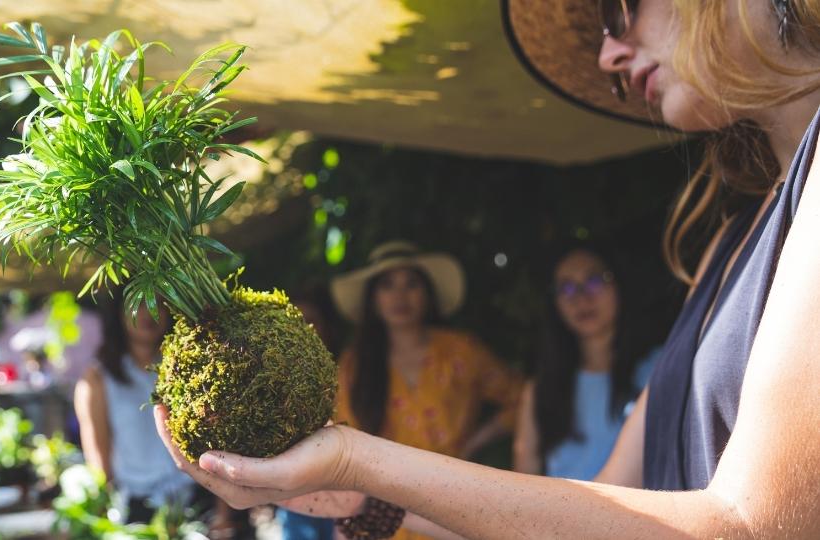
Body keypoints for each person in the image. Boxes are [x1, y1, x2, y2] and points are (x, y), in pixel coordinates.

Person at [154, 0, 820, 537]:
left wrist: (363, 459)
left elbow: (751, 524)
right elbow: (617, 504)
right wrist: (363, 498)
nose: (609, 55)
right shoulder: (728, 244)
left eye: (620, 11)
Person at [330, 241, 522, 464]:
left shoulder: (461, 350)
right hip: (383, 492)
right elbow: (344, 435)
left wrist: (476, 441)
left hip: (458, 485)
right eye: (387, 285)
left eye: (411, 284)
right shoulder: (354, 363)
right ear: (373, 300)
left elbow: (522, 398)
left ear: (428, 293)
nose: (400, 296)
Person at [513, 244, 659, 480]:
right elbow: (524, 478)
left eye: (594, 280)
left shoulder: (661, 369)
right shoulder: (540, 389)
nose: (581, 297)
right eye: (567, 288)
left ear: (619, 285)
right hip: (561, 515)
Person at [74, 298, 198, 523]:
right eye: (138, 303)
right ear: (118, 313)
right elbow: (99, 458)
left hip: (195, 499)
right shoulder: (98, 379)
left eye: (157, 303)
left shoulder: (187, 367)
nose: (149, 312)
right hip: (138, 509)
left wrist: (223, 511)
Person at [277, 284, 342, 540]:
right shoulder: (277, 379)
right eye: (295, 321)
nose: (305, 329)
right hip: (298, 490)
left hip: (344, 484)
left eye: (311, 321)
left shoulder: (345, 370)